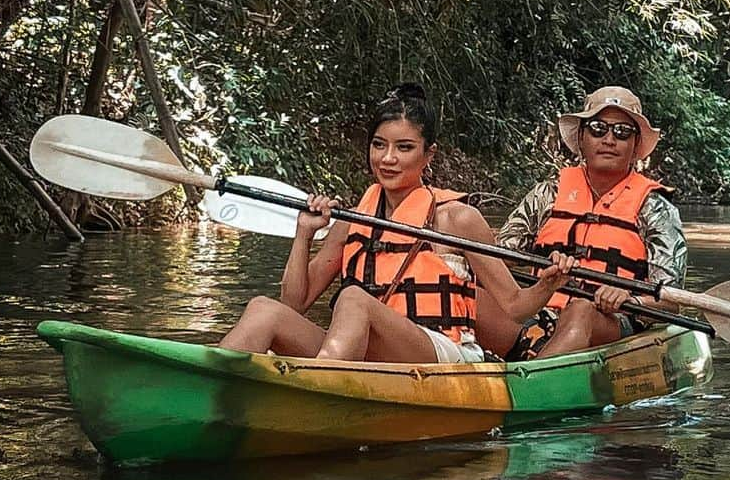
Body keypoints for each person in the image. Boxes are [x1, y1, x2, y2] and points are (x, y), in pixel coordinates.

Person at [220, 84, 573, 363]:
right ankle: (201, 392)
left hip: (442, 352)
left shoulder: (455, 218)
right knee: (263, 311)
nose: (388, 159)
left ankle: (319, 393)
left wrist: (547, 285)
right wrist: (304, 233)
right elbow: (294, 303)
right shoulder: (354, 218)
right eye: (378, 145)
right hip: (362, 355)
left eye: (404, 148)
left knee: (354, 299)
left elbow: (514, 307)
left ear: (428, 154)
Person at [477, 86, 687, 359]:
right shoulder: (546, 195)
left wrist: (630, 299)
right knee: (462, 292)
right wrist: (547, 279)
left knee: (581, 309)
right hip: (536, 315)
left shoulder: (656, 208)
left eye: (622, 132)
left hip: (607, 322)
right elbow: (500, 260)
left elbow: (670, 301)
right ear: (582, 136)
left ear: (635, 146)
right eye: (598, 129)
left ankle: (530, 382)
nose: (609, 139)